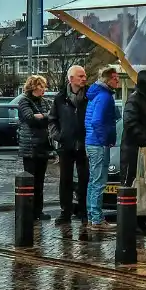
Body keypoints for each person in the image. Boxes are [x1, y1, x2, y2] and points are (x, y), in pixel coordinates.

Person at [50, 65, 89, 224]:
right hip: (66, 144)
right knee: (65, 180)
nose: (84, 79)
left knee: (84, 179)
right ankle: (65, 212)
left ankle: (83, 211)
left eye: (84, 76)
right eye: (80, 76)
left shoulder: (89, 96)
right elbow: (52, 119)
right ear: (71, 79)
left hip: (84, 143)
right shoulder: (60, 98)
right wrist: (58, 135)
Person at [84, 67, 119, 229]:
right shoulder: (105, 97)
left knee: (93, 181)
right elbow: (97, 121)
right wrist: (106, 139)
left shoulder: (96, 94)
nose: (117, 81)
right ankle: (97, 219)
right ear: (107, 80)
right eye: (114, 78)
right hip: (98, 144)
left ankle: (92, 215)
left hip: (91, 142)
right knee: (99, 182)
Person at [15, 75, 53, 221]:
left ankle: (39, 210)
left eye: (44, 86)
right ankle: (28, 210)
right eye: (41, 86)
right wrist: (43, 117)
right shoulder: (24, 101)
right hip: (29, 146)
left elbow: (51, 117)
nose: (44, 89)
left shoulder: (44, 102)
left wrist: (41, 116)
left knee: (40, 181)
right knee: (30, 180)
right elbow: (30, 118)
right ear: (33, 87)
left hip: (43, 145)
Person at [120, 70, 146, 188]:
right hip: (133, 148)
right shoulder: (134, 100)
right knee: (130, 183)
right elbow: (130, 123)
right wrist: (144, 140)